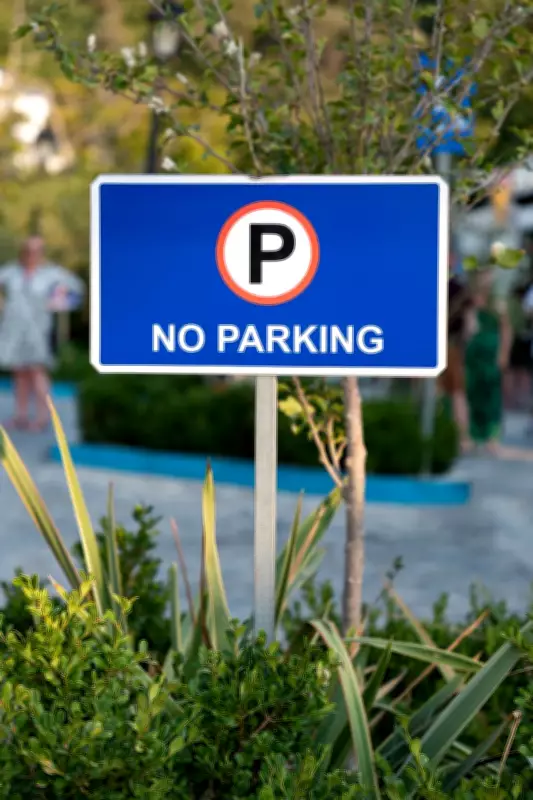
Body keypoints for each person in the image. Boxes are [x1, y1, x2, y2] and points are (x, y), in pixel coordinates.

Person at [0, 237, 84, 431]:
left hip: (39, 331)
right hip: (13, 330)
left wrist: (58, 302)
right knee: (19, 373)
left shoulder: (51, 273)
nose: (31, 255)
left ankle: (43, 417)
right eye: (28, 250)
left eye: (36, 251)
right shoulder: (12, 272)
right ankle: (20, 416)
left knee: (38, 372)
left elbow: (77, 288)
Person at [465, 268, 512, 455]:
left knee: (492, 396)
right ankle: (475, 435)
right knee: (473, 393)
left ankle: (492, 436)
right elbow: (467, 329)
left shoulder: (498, 303)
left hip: (491, 354)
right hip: (474, 353)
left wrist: (504, 353)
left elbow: (506, 329)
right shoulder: (471, 302)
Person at [438, 260, 474, 453]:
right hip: (452, 345)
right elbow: (471, 326)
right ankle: (462, 437)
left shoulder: (430, 283)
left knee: (437, 392)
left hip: (432, 346)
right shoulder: (461, 289)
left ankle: (436, 432)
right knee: (457, 393)